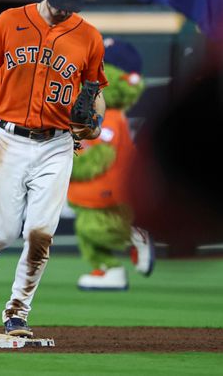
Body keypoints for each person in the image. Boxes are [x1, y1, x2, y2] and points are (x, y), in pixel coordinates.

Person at [0, 0, 107, 337]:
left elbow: (93, 95)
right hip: (10, 139)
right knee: (1, 232)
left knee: (40, 232)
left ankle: (17, 310)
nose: (64, 8)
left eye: (72, 3)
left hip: (56, 143)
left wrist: (94, 124)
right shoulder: (9, 22)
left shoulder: (89, 37)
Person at [68, 38, 154, 290]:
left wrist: (67, 164)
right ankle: (110, 271)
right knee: (87, 235)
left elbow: (98, 158)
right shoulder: (100, 113)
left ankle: (133, 235)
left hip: (108, 193)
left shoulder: (111, 118)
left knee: (93, 228)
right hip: (94, 194)